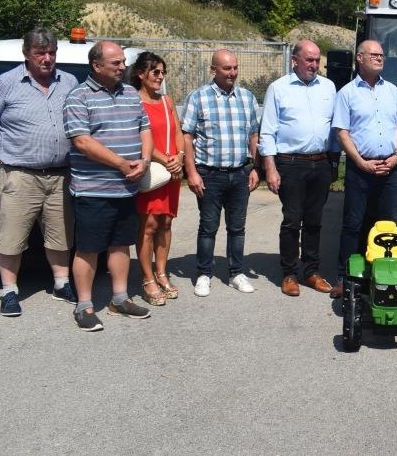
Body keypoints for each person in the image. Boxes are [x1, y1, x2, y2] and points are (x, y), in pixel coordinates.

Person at [0, 27, 79, 317]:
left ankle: (61, 283)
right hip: (20, 175)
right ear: (27, 55)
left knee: (61, 234)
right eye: (40, 54)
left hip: (61, 174)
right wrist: (7, 149)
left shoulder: (69, 81)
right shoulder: (6, 83)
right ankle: (9, 291)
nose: (47, 59)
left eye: (51, 53)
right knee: (11, 237)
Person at [63, 41, 153, 331]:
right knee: (88, 249)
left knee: (120, 245)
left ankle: (119, 298)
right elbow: (82, 141)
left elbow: (144, 127)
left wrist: (145, 160)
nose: (123, 67)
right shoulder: (78, 96)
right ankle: (84, 305)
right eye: (116, 63)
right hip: (93, 189)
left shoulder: (130, 93)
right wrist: (121, 164)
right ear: (97, 66)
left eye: (123, 62)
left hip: (126, 188)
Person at [330, 40, 397, 300]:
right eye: (374, 55)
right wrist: (359, 162)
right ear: (359, 58)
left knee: (388, 225)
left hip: (390, 167)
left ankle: (384, 273)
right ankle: (344, 278)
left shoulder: (393, 91)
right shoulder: (347, 93)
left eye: (382, 55)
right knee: (353, 225)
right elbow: (342, 132)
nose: (380, 58)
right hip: (361, 168)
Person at [259, 40, 338, 297]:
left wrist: (334, 162)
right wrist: (270, 168)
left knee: (315, 221)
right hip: (290, 163)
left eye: (317, 60)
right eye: (309, 60)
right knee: (293, 221)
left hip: (321, 162)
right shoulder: (278, 88)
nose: (314, 65)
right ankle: (289, 273)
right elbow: (267, 132)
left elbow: (336, 130)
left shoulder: (328, 87)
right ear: (295, 60)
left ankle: (311, 271)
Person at [182, 49, 260, 297]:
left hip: (239, 174)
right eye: (227, 68)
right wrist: (191, 172)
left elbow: (254, 135)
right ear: (214, 70)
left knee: (237, 228)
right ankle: (204, 273)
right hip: (209, 174)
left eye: (235, 68)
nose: (233, 73)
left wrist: (255, 167)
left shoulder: (246, 98)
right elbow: (188, 137)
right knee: (208, 227)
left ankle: (237, 272)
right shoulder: (199, 97)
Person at [131, 52, 185, 307]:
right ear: (141, 74)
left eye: (163, 72)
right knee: (149, 224)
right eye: (156, 72)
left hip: (171, 171)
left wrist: (180, 158)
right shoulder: (134, 101)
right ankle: (147, 277)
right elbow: (141, 139)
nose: (161, 77)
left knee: (166, 223)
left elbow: (177, 132)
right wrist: (165, 159)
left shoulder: (167, 101)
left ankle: (162, 273)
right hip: (152, 171)